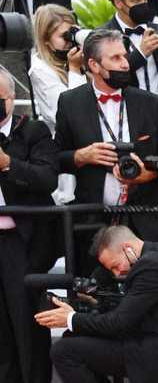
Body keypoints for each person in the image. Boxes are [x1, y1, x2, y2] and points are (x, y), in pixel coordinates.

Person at [54, 30, 158, 275]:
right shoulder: (70, 102)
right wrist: (81, 156)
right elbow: (55, 159)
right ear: (93, 64)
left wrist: (149, 174)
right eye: (115, 58)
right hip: (92, 222)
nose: (125, 63)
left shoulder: (151, 103)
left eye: (125, 56)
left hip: (146, 222)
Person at [36, 225, 158, 383]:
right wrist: (97, 304)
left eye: (115, 265)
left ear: (127, 248)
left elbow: (119, 323)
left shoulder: (151, 266)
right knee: (71, 339)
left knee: (64, 351)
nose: (116, 272)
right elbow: (138, 307)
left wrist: (70, 318)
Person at [0, 68, 58, 383]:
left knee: (26, 320)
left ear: (12, 99)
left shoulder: (33, 131)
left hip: (23, 242)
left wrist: (8, 164)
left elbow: (47, 178)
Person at [29, 4, 86, 201]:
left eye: (73, 33)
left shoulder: (78, 60)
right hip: (67, 153)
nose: (70, 41)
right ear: (46, 41)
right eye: (64, 36)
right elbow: (67, 114)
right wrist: (76, 70)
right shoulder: (39, 70)